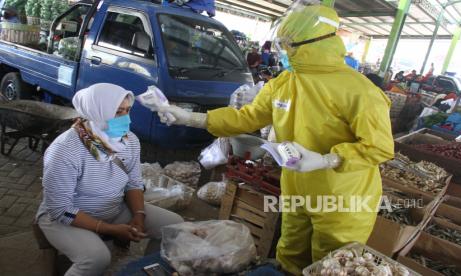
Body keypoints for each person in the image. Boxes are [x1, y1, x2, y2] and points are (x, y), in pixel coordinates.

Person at [150, 2, 394, 274]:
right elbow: (247, 117)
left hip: (343, 196)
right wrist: (190, 117)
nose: (284, 53)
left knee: (332, 263)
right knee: (290, 253)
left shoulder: (360, 91)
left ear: (314, 44)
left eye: (289, 45)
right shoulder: (285, 82)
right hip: (297, 188)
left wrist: (328, 159)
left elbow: (379, 147)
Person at [35, 83, 183, 276]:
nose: (126, 119)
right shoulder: (64, 151)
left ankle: (147, 271)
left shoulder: (129, 141)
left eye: (128, 110)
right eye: (117, 111)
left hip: (112, 207)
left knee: (174, 226)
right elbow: (61, 209)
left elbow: (133, 183)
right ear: (96, 111)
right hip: (65, 218)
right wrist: (110, 229)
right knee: (96, 258)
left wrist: (139, 215)